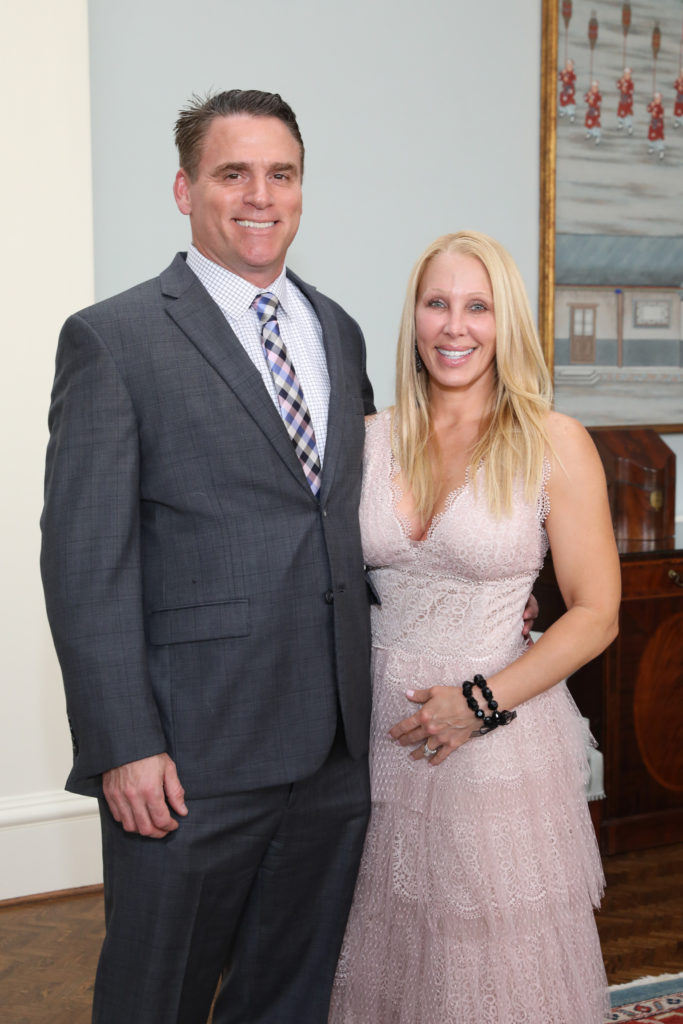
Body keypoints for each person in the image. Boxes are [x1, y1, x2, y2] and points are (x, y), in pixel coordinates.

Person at [40, 89, 376, 1024]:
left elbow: (340, 522)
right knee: (158, 994)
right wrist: (124, 743)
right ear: (186, 189)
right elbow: (83, 559)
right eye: (233, 173)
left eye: (281, 173)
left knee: (290, 995)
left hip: (333, 750)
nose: (259, 195)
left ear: (302, 187)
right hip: (189, 756)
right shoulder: (115, 338)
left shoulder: (338, 331)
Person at [329, 231, 621, 1024]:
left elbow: (596, 613)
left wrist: (480, 702)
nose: (453, 327)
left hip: (494, 739)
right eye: (436, 304)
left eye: (476, 306)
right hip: (377, 738)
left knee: (489, 967)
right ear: (413, 319)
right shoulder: (365, 437)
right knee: (386, 951)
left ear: (505, 323)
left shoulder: (550, 441)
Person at [616, 67, 634, 134]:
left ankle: (629, 127)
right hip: (622, 100)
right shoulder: (622, 80)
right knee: (620, 112)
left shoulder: (630, 83)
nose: (627, 76)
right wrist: (621, 82)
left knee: (627, 114)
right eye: (625, 74)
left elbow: (631, 92)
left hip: (628, 101)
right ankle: (620, 123)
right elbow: (618, 86)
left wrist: (625, 90)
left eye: (628, 74)